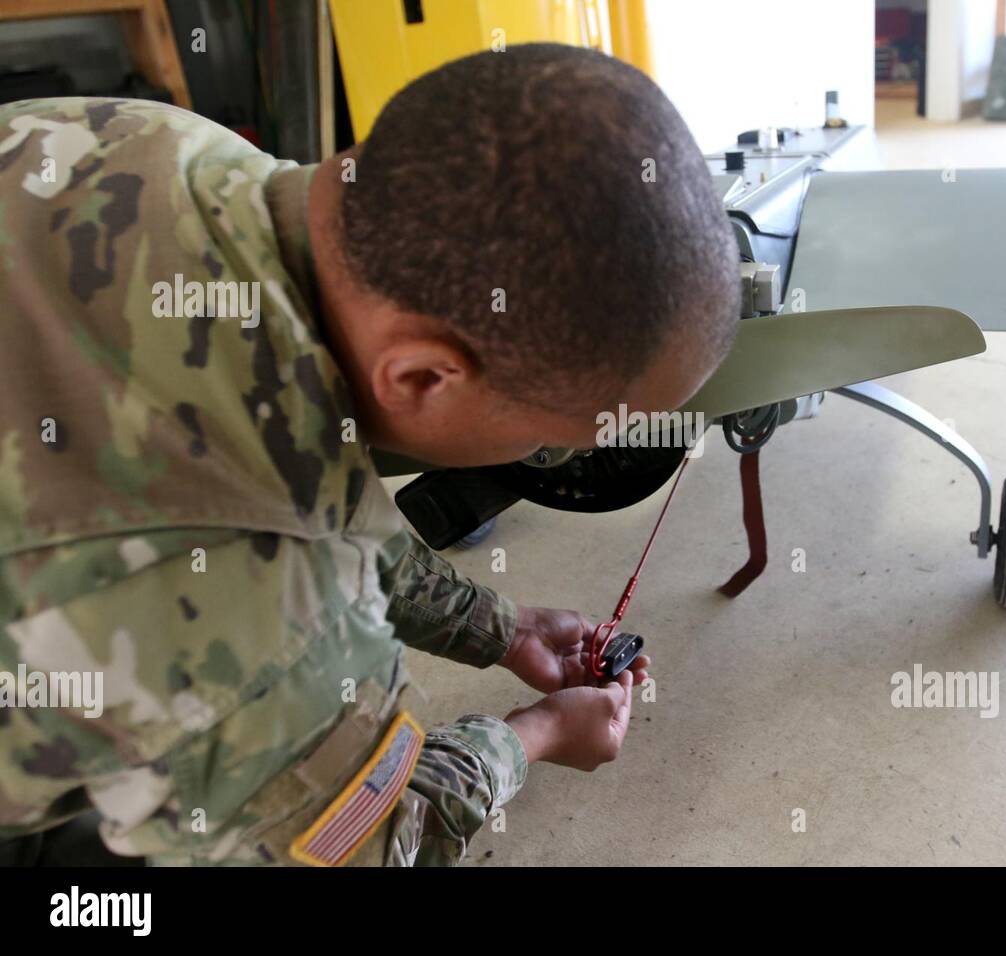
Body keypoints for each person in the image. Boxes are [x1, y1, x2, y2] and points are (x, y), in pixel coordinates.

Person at [0, 43, 739, 866]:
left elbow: (295, 452)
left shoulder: (144, 137)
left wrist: (495, 627)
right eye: (548, 441)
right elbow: (382, 845)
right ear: (424, 374)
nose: (546, 456)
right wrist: (530, 736)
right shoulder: (263, 615)